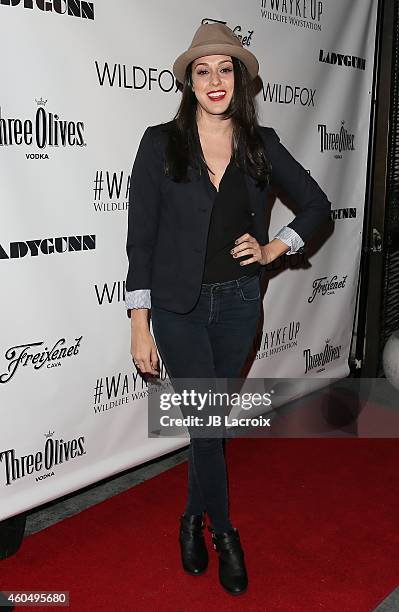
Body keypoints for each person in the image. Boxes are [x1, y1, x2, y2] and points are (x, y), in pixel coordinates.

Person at [125, 23, 331, 596]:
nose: (214, 79)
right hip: (176, 309)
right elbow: (140, 239)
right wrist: (138, 322)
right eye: (202, 69)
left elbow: (317, 205)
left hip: (240, 303)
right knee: (208, 423)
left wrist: (274, 247)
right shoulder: (158, 143)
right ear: (188, 82)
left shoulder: (260, 143)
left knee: (207, 427)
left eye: (225, 68)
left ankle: (191, 516)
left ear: (238, 78)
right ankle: (226, 534)